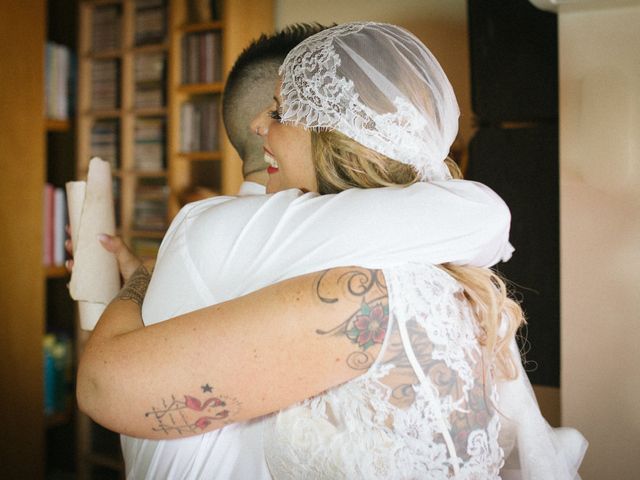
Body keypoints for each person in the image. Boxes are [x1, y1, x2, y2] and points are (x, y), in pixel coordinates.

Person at [77, 22, 585, 478]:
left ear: (329, 129)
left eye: (279, 111)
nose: (262, 125)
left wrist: (145, 277)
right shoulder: (451, 273)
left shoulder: (351, 288)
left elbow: (103, 388)